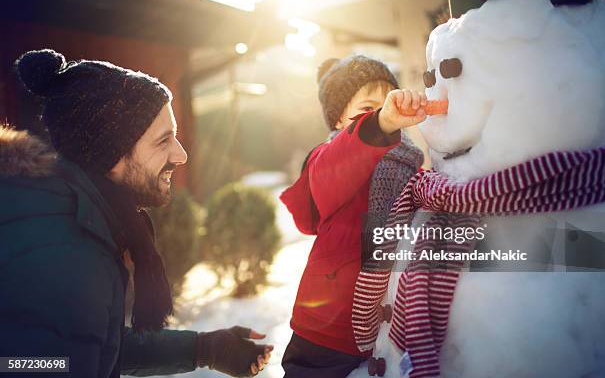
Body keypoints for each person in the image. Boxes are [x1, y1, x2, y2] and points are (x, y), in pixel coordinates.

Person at [0, 49, 272, 378]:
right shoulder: (66, 252)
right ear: (109, 155)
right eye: (163, 141)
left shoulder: (72, 216)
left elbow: (85, 347)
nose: (181, 155)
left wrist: (205, 348)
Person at [279, 55, 426, 377]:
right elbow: (341, 163)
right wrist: (380, 125)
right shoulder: (328, 158)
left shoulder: (408, 160)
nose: (381, 113)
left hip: (387, 322)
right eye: (366, 109)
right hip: (328, 327)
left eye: (388, 103)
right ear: (337, 120)